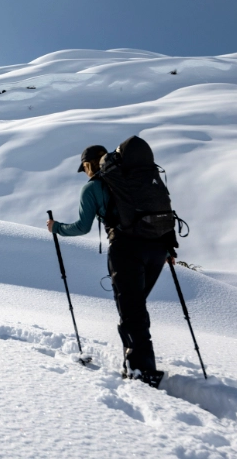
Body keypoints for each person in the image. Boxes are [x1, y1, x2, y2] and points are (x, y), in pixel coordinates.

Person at [46, 143, 176, 387]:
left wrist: (57, 228)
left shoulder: (93, 187)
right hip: (158, 248)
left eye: (84, 168)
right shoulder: (138, 178)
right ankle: (139, 362)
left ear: (87, 165)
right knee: (135, 307)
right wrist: (168, 248)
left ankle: (141, 371)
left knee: (131, 310)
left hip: (126, 249)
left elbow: (82, 227)